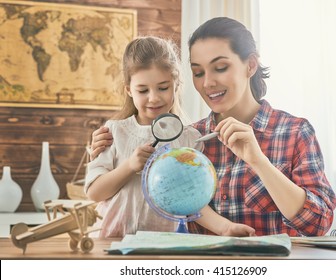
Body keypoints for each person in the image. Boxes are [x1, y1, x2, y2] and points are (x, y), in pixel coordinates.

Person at [90, 18, 336, 237]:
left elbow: (318, 224)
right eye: (198, 72)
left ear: (251, 65)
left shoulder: (294, 132)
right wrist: (113, 156)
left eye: (220, 67)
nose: (208, 83)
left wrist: (259, 161)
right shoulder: (189, 140)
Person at [85, 36, 255, 238]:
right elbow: (94, 192)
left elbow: (192, 201)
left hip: (164, 244)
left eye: (163, 87)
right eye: (142, 90)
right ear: (129, 90)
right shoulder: (113, 132)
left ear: (176, 85)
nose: (154, 97)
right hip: (112, 241)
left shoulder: (189, 139)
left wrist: (224, 227)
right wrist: (129, 166)